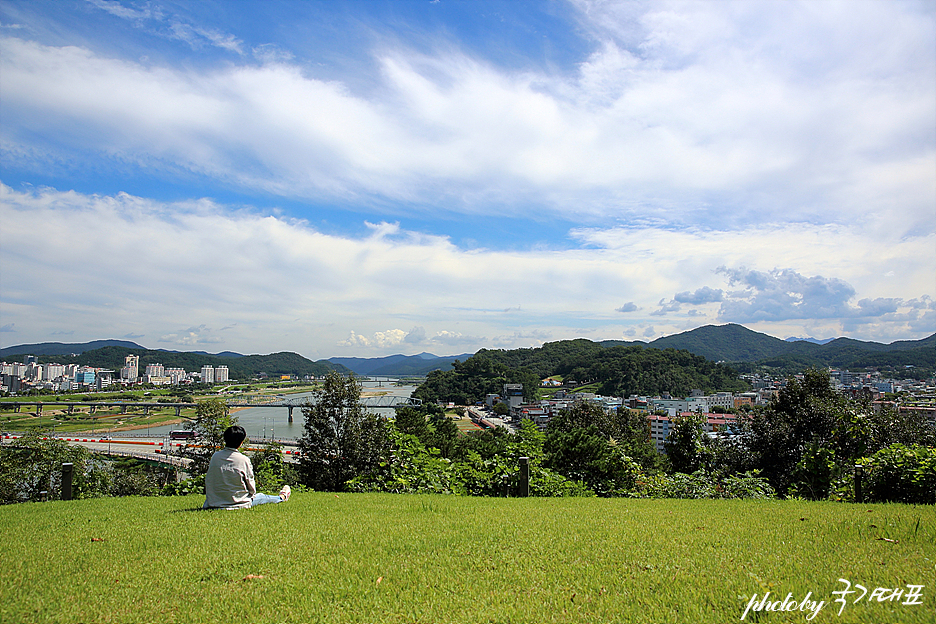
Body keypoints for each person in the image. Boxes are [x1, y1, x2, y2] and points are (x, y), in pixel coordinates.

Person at [203, 425, 291, 509]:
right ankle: (282, 497)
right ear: (241, 442)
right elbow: (251, 487)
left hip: (214, 502)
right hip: (238, 502)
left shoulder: (215, 457)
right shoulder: (243, 460)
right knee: (262, 497)